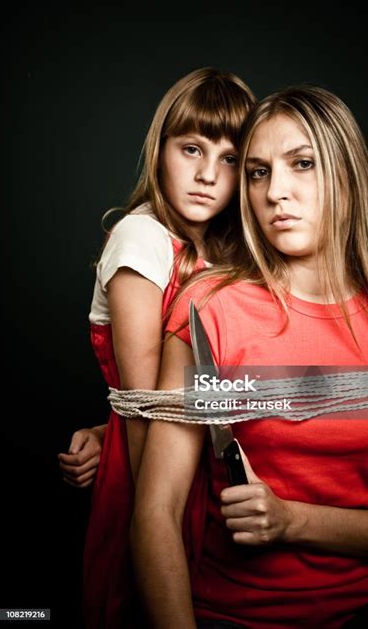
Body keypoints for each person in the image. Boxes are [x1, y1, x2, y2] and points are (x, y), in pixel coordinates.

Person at [130, 86, 368, 628]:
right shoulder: (208, 312)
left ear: (347, 175)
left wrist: (290, 521)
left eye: (302, 164)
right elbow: (155, 512)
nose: (276, 191)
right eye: (258, 172)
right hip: (235, 614)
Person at [58, 67, 256, 628]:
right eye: (191, 148)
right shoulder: (143, 238)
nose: (207, 175)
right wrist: (157, 523)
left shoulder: (214, 245)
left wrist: (103, 430)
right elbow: (148, 404)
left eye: (230, 159)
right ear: (160, 147)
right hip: (156, 471)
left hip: (194, 457)